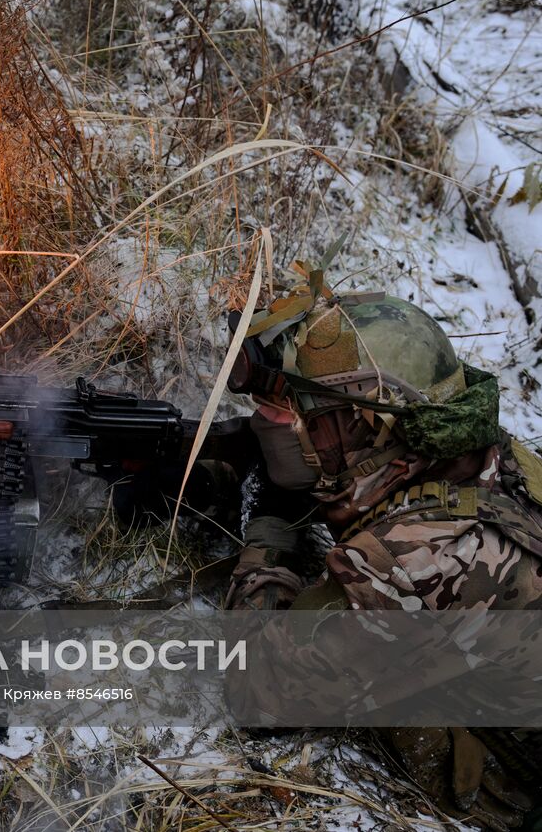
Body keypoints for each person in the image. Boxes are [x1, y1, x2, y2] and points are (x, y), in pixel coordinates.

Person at [222, 271, 542, 831]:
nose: (270, 424)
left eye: (298, 414)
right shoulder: (490, 455)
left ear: (370, 427)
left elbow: (258, 690)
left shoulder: (409, 565)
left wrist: (269, 531)